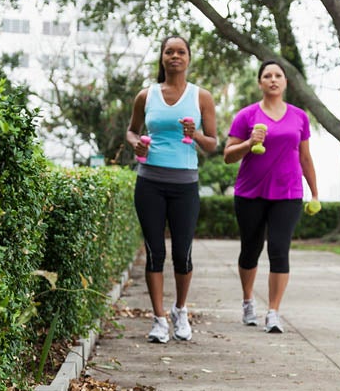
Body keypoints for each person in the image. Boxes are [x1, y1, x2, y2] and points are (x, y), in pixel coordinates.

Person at [126, 35, 218, 344]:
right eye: (169, 51)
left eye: (180, 52)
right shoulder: (146, 95)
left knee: (182, 253)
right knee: (155, 252)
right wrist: (135, 142)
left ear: (188, 58)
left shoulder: (201, 97)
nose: (175, 56)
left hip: (185, 186)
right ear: (162, 58)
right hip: (149, 183)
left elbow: (213, 144)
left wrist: (197, 135)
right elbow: (131, 131)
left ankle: (180, 310)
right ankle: (159, 319)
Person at [223, 60, 319, 334]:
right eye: (267, 75)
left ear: (286, 82)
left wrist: (314, 191)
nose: (273, 79)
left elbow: (305, 156)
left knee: (279, 250)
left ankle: (274, 312)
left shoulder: (299, 116)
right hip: (250, 193)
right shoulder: (246, 116)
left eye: (278, 75)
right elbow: (228, 155)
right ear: (260, 82)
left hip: (288, 193)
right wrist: (248, 143)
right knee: (250, 249)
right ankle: (247, 301)